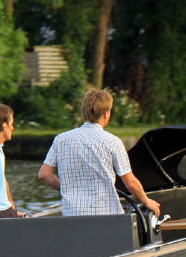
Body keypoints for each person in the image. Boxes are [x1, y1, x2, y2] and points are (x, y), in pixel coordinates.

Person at [38, 88, 160, 217]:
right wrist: (147, 201)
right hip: (107, 214)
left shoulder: (61, 140)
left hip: (72, 214)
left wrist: (66, 189)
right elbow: (130, 183)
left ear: (83, 113)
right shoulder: (112, 142)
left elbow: (44, 174)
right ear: (106, 114)